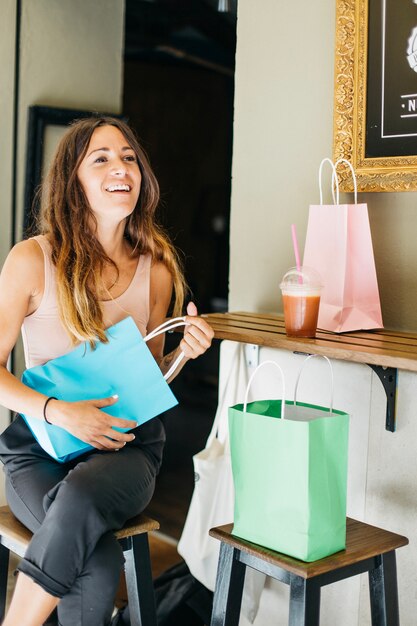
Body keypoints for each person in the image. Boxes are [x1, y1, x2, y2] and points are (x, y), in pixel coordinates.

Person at [0, 116, 214, 626]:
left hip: (128, 446)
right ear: (72, 182)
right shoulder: (31, 260)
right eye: (101, 158)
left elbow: (150, 376)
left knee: (80, 498)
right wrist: (60, 413)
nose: (121, 167)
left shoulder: (156, 269)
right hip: (39, 449)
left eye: (129, 158)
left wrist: (185, 351)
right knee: (92, 558)